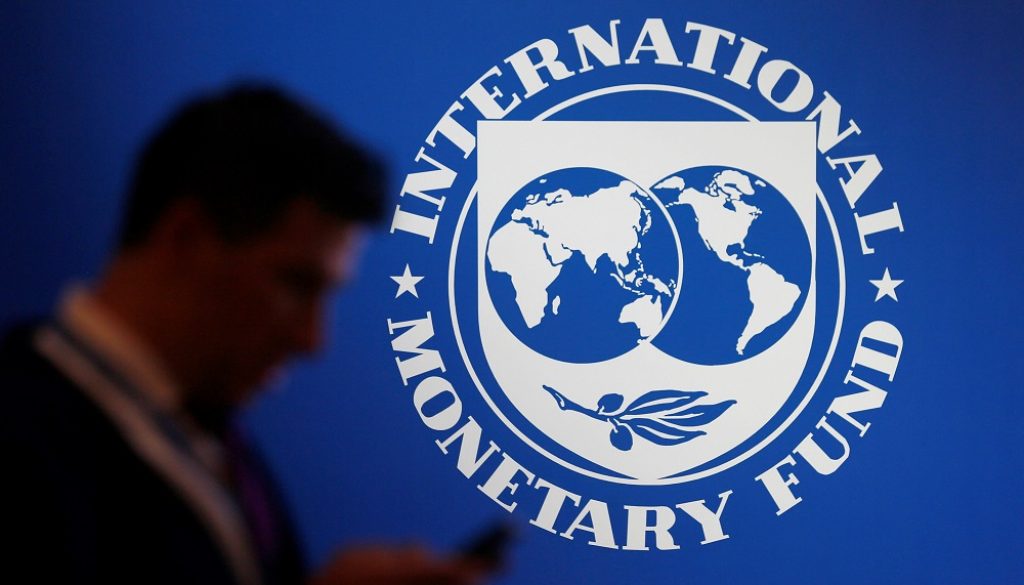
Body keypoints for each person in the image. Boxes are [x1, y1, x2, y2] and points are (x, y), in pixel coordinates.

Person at [0, 84, 486, 585]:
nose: (313, 339)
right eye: (296, 284)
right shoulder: (19, 438)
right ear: (184, 238)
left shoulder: (203, 428)